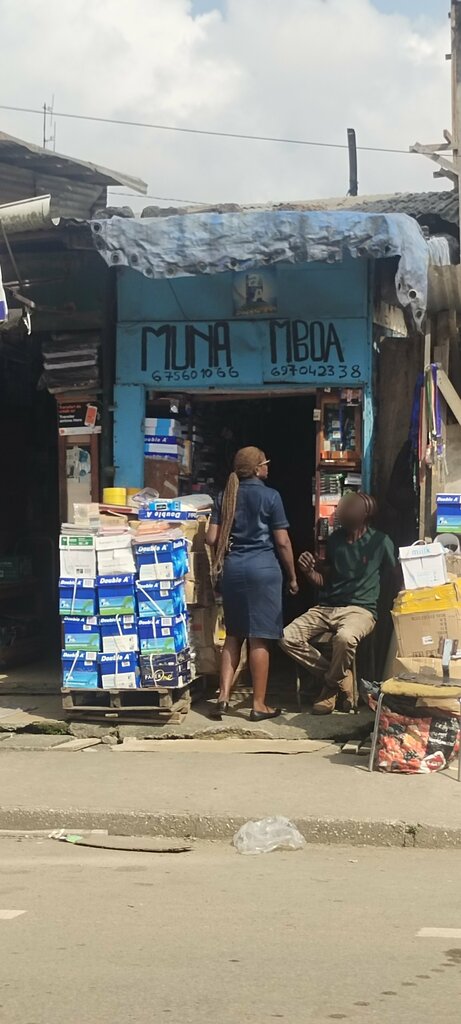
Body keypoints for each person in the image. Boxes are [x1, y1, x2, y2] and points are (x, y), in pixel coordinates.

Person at [280, 492, 396, 715]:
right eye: (342, 506)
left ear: (366, 514)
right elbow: (324, 582)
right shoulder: (335, 541)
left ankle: (329, 689)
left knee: (345, 638)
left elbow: (394, 576)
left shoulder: (381, 541)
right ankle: (339, 678)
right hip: (328, 607)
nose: (340, 511)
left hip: (360, 610)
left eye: (348, 507)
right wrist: (308, 571)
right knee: (286, 637)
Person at [206, 446, 298, 721]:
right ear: (257, 469)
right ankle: (258, 705)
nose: (268, 467)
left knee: (234, 634)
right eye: (265, 464)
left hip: (234, 570)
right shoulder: (271, 496)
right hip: (264, 570)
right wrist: (293, 576)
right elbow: (282, 541)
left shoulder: (225, 496)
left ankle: (222, 698)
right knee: (260, 637)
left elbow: (211, 538)